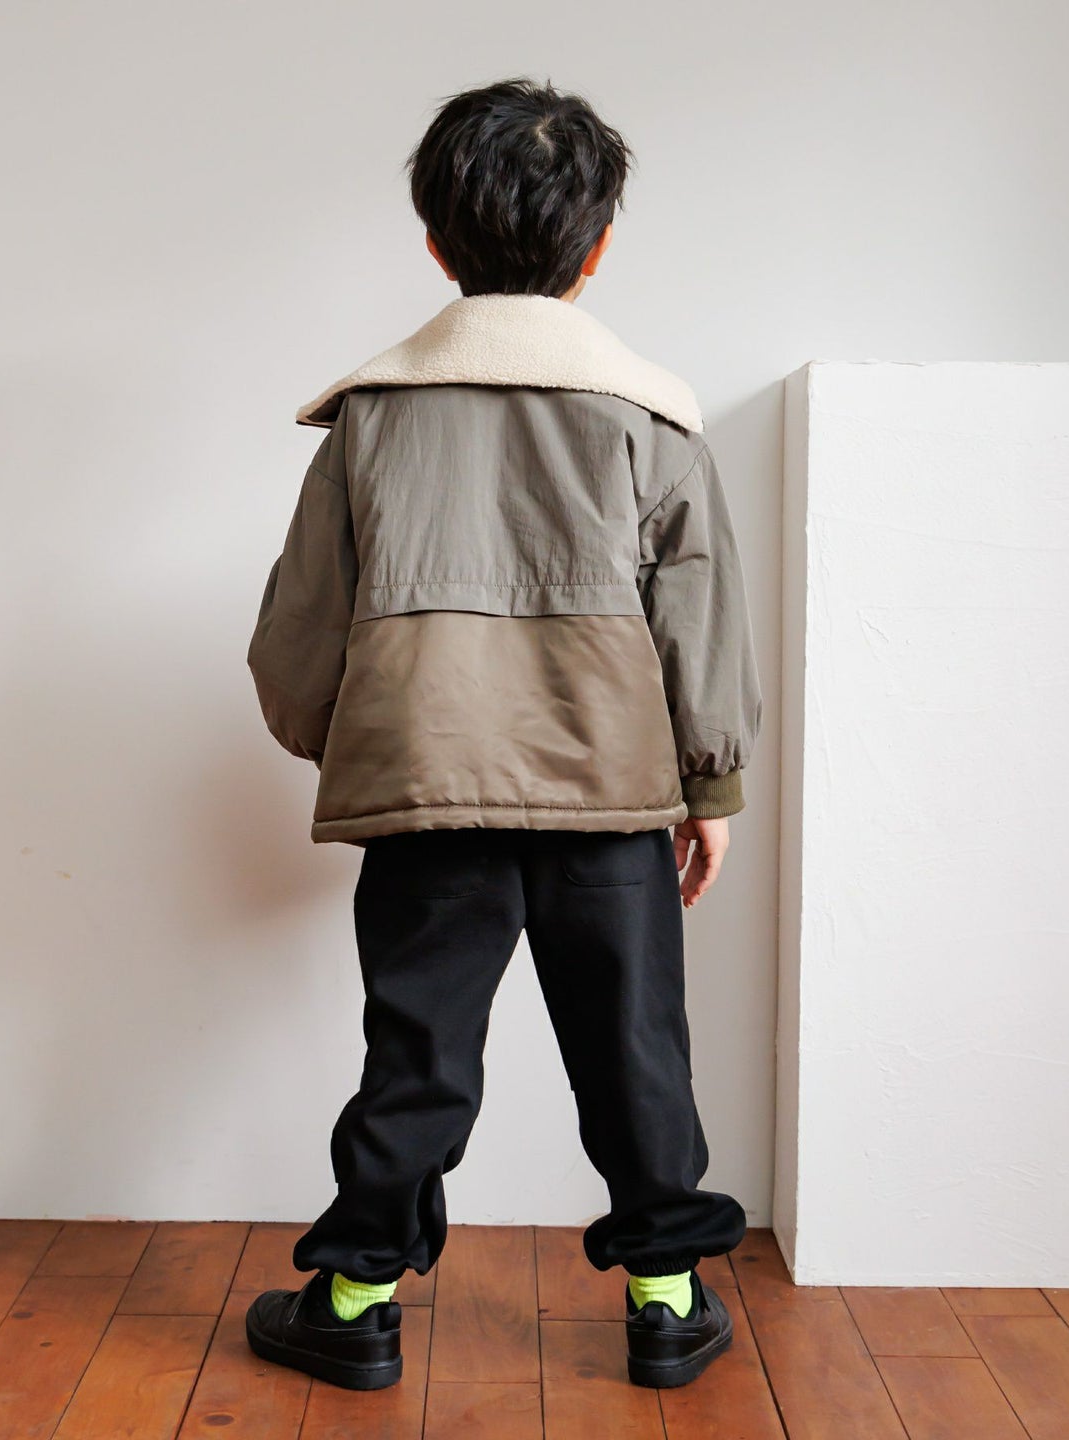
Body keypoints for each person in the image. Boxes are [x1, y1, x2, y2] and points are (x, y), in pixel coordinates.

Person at [243, 75, 762, 1393]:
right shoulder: (653, 420)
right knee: (636, 1052)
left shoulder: (372, 419)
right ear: (596, 251)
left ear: (436, 246)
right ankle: (666, 1304)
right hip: (611, 800)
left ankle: (355, 1303)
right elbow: (701, 620)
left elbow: (300, 632)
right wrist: (708, 788)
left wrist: (347, 739)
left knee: (418, 1056)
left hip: (429, 796)